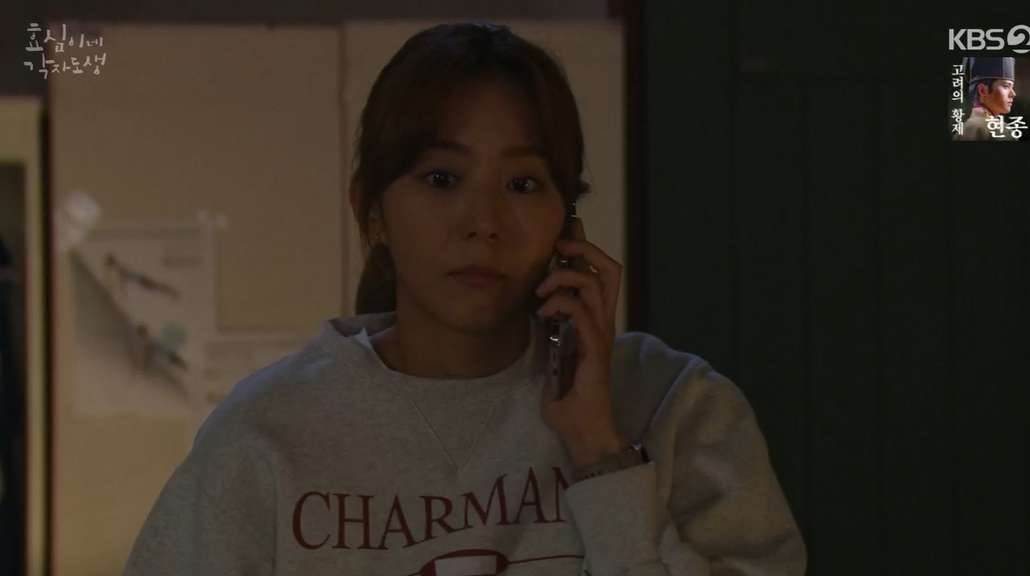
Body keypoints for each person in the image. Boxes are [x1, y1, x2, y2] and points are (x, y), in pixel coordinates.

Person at [123, 22, 806, 576]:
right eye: (442, 178)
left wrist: (602, 453)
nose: (484, 222)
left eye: (523, 184)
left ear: (568, 223)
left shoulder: (675, 406)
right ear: (372, 212)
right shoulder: (267, 435)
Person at [953, 57, 1019, 141]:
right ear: (983, 90)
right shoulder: (1002, 132)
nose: (1013, 94)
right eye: (1006, 86)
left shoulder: (961, 131)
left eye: (1012, 87)